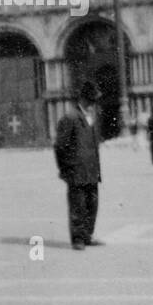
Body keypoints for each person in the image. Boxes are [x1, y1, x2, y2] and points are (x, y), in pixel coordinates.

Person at [54, 81, 103, 251]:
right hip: (76, 170)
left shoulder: (90, 117)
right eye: (90, 100)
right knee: (78, 205)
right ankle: (78, 238)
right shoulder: (70, 118)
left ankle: (87, 235)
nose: (93, 104)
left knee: (92, 204)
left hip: (91, 170)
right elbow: (60, 146)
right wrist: (65, 169)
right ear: (83, 98)